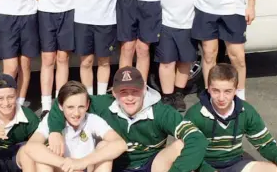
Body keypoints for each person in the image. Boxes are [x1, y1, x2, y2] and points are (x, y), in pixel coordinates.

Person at [47, 66, 209, 172]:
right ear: (115, 93)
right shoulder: (104, 104)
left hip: (151, 166)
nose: (130, 98)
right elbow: (66, 100)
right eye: (123, 92)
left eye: (135, 91)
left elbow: (197, 139)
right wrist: (55, 131)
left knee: (179, 145)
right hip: (116, 166)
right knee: (103, 145)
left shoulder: (160, 111)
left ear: (144, 90)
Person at [185, 64, 277, 172]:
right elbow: (185, 153)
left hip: (236, 163)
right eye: (216, 91)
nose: (221, 98)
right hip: (204, 166)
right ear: (208, 89)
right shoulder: (195, 115)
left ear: (236, 90)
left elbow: (266, 145)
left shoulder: (246, 111)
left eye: (227, 91)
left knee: (274, 169)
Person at [24, 81, 127, 172]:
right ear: (60, 105)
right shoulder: (50, 120)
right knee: (42, 160)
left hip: (86, 167)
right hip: (63, 168)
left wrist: (82, 162)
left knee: (104, 145)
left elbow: (120, 144)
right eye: (70, 107)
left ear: (87, 105)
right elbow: (31, 147)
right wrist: (67, 164)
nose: (76, 113)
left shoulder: (92, 119)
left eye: (81, 107)